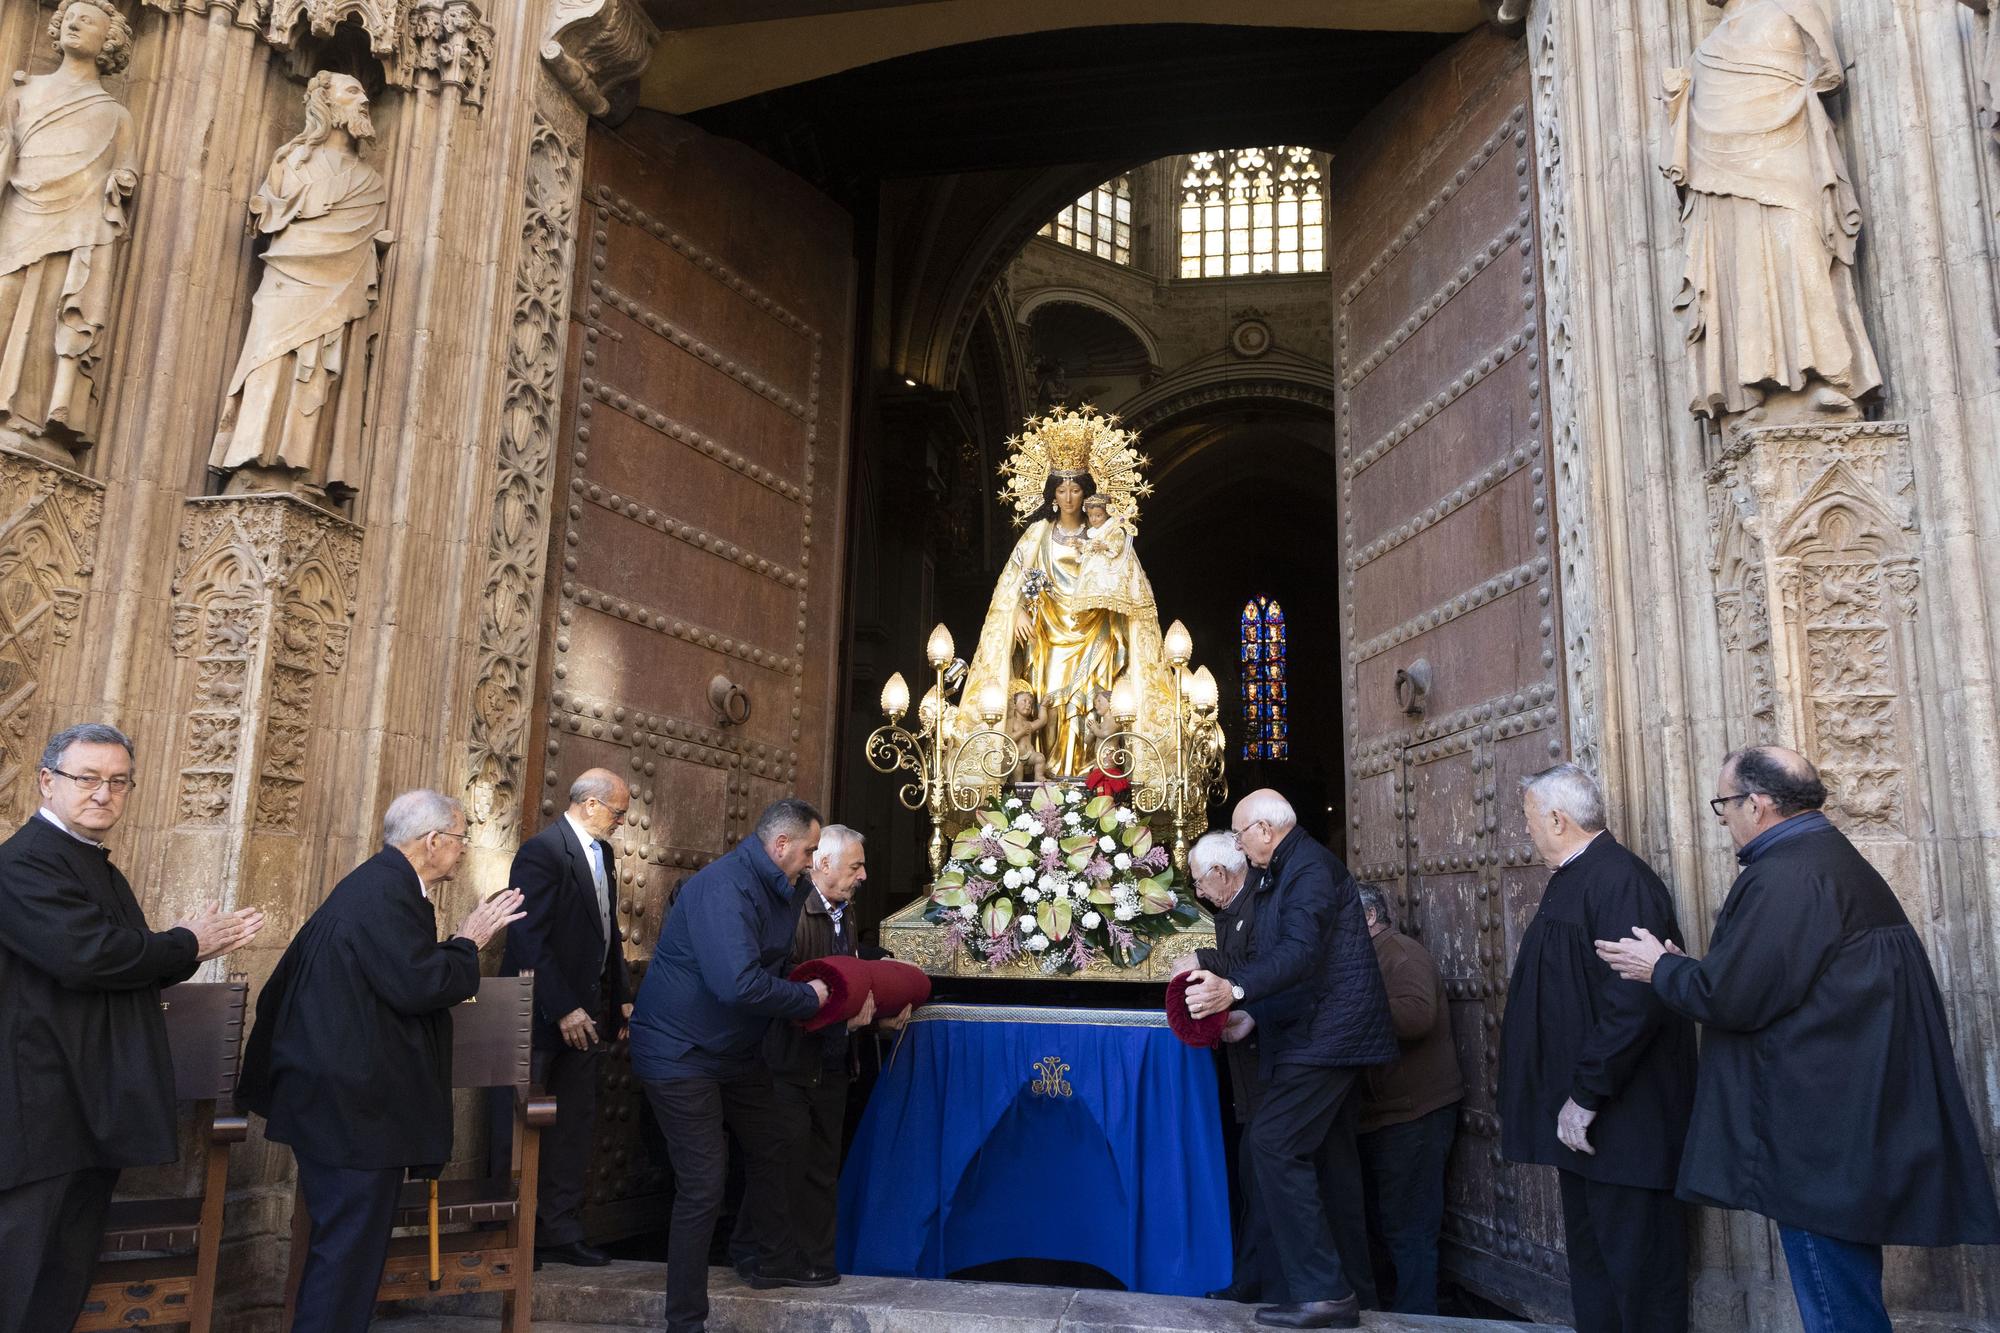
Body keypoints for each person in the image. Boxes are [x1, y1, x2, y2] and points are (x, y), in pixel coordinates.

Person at [1598, 747, 2000, 1333]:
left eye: (1725, 805)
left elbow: (1734, 997)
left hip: (1818, 1137)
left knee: (1837, 1307)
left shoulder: (1788, 873)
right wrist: (1694, 971)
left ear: (1757, 804)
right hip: (1847, 1121)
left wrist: (1656, 968)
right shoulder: (1824, 858)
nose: (1723, 819)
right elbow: (1770, 977)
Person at [0, 723, 262, 1333]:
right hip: (42, 1109)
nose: (103, 793)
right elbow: (86, 956)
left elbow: (119, 964)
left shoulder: (90, 863)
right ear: (47, 781)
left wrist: (180, 948)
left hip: (85, 1106)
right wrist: (185, 943)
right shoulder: (23, 863)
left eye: (118, 782)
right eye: (86, 778)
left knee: (60, 1281)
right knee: (20, 1279)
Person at [239, 790, 523, 1333]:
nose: (463, 851)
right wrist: (467, 942)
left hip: (340, 1102)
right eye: (461, 839)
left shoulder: (379, 884)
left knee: (347, 1254)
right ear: (433, 841)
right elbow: (417, 984)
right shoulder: (386, 894)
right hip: (353, 1112)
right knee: (346, 1260)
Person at [1184, 790, 1395, 1330]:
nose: (1236, 844)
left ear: (1263, 829)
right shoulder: (1283, 867)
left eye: (1238, 834)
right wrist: (1254, 1011)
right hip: (1310, 1030)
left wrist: (1233, 992)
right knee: (1314, 1158)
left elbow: (1300, 953)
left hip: (1329, 1035)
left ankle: (1326, 1293)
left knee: (1272, 1142)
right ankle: (1336, 1290)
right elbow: (1287, 958)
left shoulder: (1308, 869)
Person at [1499, 763, 1696, 1333]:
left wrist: (1586, 1093)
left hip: (1623, 1121)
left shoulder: (1620, 881)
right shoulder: (1577, 875)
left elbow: (1634, 1001)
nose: (1527, 829)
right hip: (1589, 1128)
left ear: (1558, 819)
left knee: (1639, 1274)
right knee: (1598, 1271)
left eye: (1530, 817)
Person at [628, 798, 835, 1333]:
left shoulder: (783, 886)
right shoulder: (725, 886)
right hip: (680, 1053)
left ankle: (768, 1259)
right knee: (703, 1182)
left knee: (778, 1139)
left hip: (733, 1053)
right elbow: (737, 983)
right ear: (782, 845)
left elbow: (775, 962)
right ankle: (685, 1320)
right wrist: (809, 999)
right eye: (812, 850)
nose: (815, 861)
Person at [958, 407, 1175, 776]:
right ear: (1052, 493)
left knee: (1092, 701)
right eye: (1061, 489)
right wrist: (1016, 612)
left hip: (1096, 633)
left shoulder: (1107, 536)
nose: (1069, 497)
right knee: (1049, 703)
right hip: (1046, 635)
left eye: (1076, 489)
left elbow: (1130, 588)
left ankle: (1091, 771)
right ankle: (1050, 772)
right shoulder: (1036, 535)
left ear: (1088, 493)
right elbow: (1010, 587)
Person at [752, 825, 909, 1281]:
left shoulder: (846, 911)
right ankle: (770, 1259)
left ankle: (817, 1262)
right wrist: (841, 1020)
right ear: (821, 863)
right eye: (855, 865)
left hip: (833, 1063)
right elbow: (786, 989)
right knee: (787, 1164)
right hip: (789, 1062)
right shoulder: (794, 914)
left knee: (822, 1166)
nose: (863, 875)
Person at [496, 769, 634, 1269]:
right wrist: (563, 1007)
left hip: (588, 1013)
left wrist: (619, 995)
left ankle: (560, 1229)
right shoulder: (543, 852)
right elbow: (527, 936)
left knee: (573, 1124)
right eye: (617, 812)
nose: (621, 822)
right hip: (540, 1014)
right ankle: (516, 1233)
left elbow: (606, 929)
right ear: (591, 804)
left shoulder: (605, 855)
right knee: (521, 1124)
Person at [1353, 882, 1462, 1316]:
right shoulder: (1365, 956)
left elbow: (1417, 1015)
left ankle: (1416, 1322)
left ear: (1368, 918)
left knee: (1410, 1230)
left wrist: (1352, 1004)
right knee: (1386, 1225)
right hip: (1384, 1114)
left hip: (1413, 1114)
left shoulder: (1400, 953)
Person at [1184, 830, 1279, 1305]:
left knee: (1266, 1179)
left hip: (1275, 1068)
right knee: (1252, 1175)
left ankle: (1263, 1284)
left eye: (1201, 883)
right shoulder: (1233, 912)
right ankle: (1252, 1280)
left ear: (1221, 874)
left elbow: (1271, 970)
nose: (1199, 893)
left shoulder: (1262, 907)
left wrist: (1251, 1011)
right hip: (1250, 1072)